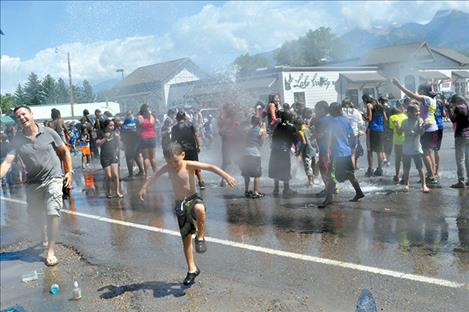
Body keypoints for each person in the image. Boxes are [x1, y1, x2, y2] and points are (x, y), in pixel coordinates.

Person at [138, 142, 236, 285]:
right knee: (186, 238)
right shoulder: (168, 167)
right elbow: (155, 177)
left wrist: (226, 176)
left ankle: (201, 236)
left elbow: (211, 167)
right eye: (169, 162)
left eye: (175, 161)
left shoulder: (188, 164)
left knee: (200, 209)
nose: (173, 165)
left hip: (193, 198)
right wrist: (144, 188)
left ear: (182, 155)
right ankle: (192, 269)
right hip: (180, 204)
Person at [0, 105, 73, 266]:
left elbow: (64, 151)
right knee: (34, 213)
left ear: (32, 114)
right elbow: (7, 161)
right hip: (34, 182)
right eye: (18, 116)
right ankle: (43, 234)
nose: (22, 118)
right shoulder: (17, 140)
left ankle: (51, 251)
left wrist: (69, 171)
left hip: (54, 177)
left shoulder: (48, 132)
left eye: (24, 114)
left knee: (52, 211)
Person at [392, 78, 439, 185]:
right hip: (432, 128)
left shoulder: (426, 98)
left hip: (427, 128)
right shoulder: (431, 99)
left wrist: (399, 85)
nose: (418, 93)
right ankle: (431, 175)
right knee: (428, 153)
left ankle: (431, 176)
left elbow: (411, 94)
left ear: (422, 91)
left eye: (419, 91)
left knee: (425, 154)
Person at [320, 102, 365, 208]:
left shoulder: (331, 122)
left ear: (331, 112)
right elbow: (352, 135)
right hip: (346, 151)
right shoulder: (346, 120)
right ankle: (359, 192)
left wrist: (326, 151)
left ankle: (328, 199)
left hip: (337, 152)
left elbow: (329, 138)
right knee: (350, 174)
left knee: (331, 175)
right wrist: (352, 148)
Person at [394, 102, 429, 193]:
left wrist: (423, 127)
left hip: (416, 148)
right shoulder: (404, 122)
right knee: (406, 168)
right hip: (406, 149)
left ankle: (424, 185)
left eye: (418, 111)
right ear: (409, 113)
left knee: (420, 167)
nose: (418, 113)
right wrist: (397, 126)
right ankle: (406, 184)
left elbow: (421, 134)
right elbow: (399, 132)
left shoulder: (419, 121)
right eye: (416, 111)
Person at [171, 111, 205, 189]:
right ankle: (201, 182)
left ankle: (186, 184)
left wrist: (173, 151)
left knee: (184, 167)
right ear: (185, 118)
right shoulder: (190, 125)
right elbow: (195, 136)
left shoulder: (174, 128)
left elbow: (173, 141)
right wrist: (198, 146)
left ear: (177, 118)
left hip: (182, 150)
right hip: (192, 149)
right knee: (196, 165)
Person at [268, 110, 299, 197]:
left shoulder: (277, 126)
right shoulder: (291, 126)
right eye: (292, 116)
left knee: (276, 169)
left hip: (275, 151)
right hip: (284, 152)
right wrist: (296, 149)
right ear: (289, 117)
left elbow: (273, 139)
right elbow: (295, 140)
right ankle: (286, 189)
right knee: (285, 169)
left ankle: (276, 189)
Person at [446, 95, 469, 188]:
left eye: (453, 103)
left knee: (460, 159)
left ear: (456, 101)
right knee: (468, 159)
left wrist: (448, 109)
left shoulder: (458, 108)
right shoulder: (467, 106)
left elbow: (453, 119)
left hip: (461, 136)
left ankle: (461, 181)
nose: (453, 104)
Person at [240, 115, 266, 198]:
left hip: (245, 153)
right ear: (259, 122)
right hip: (255, 153)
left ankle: (246, 191)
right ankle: (256, 192)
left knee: (246, 173)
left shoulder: (248, 130)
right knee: (256, 174)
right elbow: (261, 143)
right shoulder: (262, 130)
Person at [96, 119, 123, 198]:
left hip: (113, 155)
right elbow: (97, 144)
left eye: (113, 125)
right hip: (104, 157)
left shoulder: (114, 133)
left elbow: (119, 145)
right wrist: (105, 139)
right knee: (109, 176)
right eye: (111, 125)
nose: (112, 127)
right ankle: (108, 191)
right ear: (106, 126)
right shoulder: (101, 134)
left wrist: (118, 138)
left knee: (115, 174)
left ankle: (117, 192)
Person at [364, 95, 387, 177]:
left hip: (372, 129)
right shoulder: (381, 107)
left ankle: (370, 169)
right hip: (380, 130)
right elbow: (385, 119)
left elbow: (369, 119)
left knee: (369, 150)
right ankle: (380, 169)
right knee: (379, 151)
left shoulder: (369, 106)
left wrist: (363, 116)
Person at [341, 97, 365, 168]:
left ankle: (344, 168)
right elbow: (361, 123)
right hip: (354, 134)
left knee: (344, 152)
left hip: (343, 134)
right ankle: (352, 169)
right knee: (352, 154)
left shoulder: (341, 111)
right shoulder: (356, 112)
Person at [389, 101, 408, 183]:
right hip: (406, 140)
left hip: (397, 141)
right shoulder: (406, 116)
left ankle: (397, 175)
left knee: (398, 158)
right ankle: (405, 174)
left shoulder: (392, 117)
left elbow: (391, 128)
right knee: (405, 158)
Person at [121, 111, 144, 179]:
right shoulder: (126, 121)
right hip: (128, 141)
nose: (129, 116)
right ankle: (133, 173)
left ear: (132, 114)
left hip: (135, 141)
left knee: (135, 157)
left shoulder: (136, 120)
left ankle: (137, 173)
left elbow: (139, 130)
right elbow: (123, 130)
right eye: (127, 114)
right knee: (131, 157)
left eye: (130, 114)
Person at [137, 104, 157, 176]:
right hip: (152, 137)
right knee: (153, 157)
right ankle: (155, 173)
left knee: (145, 157)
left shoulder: (140, 117)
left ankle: (146, 174)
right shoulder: (152, 116)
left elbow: (138, 127)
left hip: (144, 137)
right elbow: (154, 125)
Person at [434, 95, 447, 177]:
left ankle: (433, 170)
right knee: (436, 149)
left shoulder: (428, 102)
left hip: (432, 127)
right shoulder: (440, 103)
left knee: (429, 150)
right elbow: (444, 115)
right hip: (440, 126)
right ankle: (437, 170)